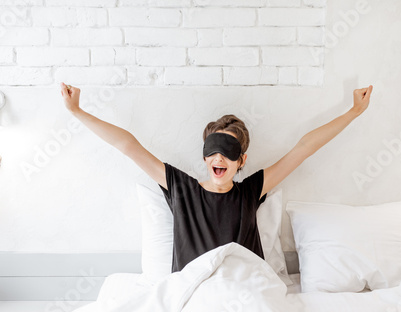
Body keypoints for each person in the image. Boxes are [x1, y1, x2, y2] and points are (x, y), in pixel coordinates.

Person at [60, 82, 373, 272]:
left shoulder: (251, 191)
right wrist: (77, 111)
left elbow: (303, 148)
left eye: (229, 150)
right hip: (193, 292)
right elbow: (128, 145)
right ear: (205, 156)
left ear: (242, 161)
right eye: (213, 149)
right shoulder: (181, 189)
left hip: (244, 289)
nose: (220, 157)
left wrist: (354, 112)